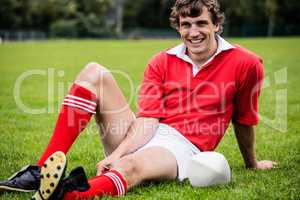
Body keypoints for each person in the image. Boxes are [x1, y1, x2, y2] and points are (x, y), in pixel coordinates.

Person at [0, 0, 276, 199]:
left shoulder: (247, 63)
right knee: (94, 71)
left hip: (183, 147)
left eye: (201, 23)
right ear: (178, 28)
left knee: (130, 166)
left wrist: (252, 163)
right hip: (144, 132)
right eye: (186, 25)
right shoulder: (162, 60)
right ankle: (41, 170)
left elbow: (244, 118)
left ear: (217, 24)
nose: (193, 32)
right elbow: (148, 119)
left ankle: (68, 195)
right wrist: (119, 152)